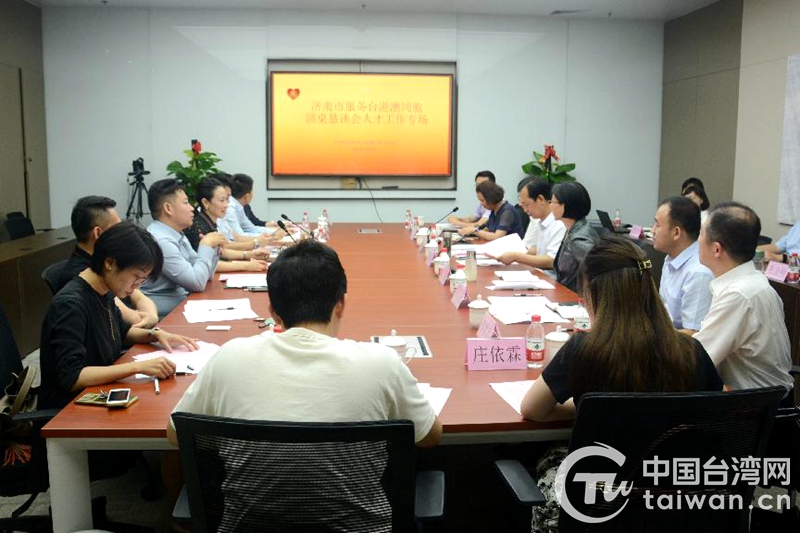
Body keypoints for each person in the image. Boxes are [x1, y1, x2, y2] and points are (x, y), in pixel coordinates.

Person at [520, 236, 723, 533]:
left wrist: (588, 410)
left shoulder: (584, 349)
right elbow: (712, 413)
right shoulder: (691, 350)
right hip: (678, 502)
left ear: (594, 295)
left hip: (597, 502)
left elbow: (532, 409)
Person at [167, 239, 441, 447]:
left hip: (248, 510)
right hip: (356, 510)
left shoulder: (230, 357)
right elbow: (429, 436)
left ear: (273, 311)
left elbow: (176, 433)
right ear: (341, 304)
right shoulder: (382, 363)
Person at [39, 222, 198, 409]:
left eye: (143, 280)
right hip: (69, 409)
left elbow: (122, 332)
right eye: (136, 277)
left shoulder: (104, 291)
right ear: (109, 263)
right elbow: (72, 377)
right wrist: (138, 367)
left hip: (99, 394)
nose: (137, 286)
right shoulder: (70, 305)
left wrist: (155, 335)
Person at [694, 202, 794, 394]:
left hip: (753, 406)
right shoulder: (754, 280)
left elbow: (697, 359)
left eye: (701, 234)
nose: (697, 240)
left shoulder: (739, 295)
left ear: (716, 249)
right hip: (761, 398)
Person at [54, 195, 159, 329]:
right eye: (117, 228)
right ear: (98, 233)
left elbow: (139, 297)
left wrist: (152, 316)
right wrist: (149, 318)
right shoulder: (85, 275)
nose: (124, 233)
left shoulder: (111, 261)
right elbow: (131, 320)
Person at [141, 179, 225, 318]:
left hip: (182, 305)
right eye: (185, 203)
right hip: (163, 316)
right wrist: (205, 245)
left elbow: (205, 276)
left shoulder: (176, 233)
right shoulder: (160, 240)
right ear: (168, 209)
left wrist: (213, 248)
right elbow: (197, 283)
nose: (192, 208)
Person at [651, 196, 713, 332]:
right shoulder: (671, 257)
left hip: (678, 342)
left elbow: (692, 334)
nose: (652, 230)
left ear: (676, 232)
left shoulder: (698, 273)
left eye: (657, 225)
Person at [184, 176, 270, 272]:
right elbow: (209, 264)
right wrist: (246, 265)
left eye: (227, 199)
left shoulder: (210, 222)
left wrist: (250, 254)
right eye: (222, 200)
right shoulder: (197, 226)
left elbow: (221, 252)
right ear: (206, 203)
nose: (226, 205)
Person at [494, 178, 566, 271]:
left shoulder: (558, 224)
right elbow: (542, 250)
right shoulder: (541, 221)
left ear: (540, 199)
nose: (525, 210)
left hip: (549, 277)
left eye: (527, 205)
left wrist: (516, 256)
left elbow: (551, 260)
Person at [550, 181, 599, 292]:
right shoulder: (573, 228)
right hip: (565, 292)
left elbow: (597, 269)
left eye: (552, 202)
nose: (550, 205)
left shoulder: (579, 239)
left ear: (566, 205)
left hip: (575, 297)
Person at [457, 180, 523, 241]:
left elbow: (497, 237)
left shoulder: (507, 211)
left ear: (491, 198)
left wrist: (475, 231)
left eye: (482, 200)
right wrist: (469, 231)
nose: (481, 204)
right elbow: (486, 229)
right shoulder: (494, 210)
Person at [224, 173, 277, 237]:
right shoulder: (230, 208)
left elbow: (251, 228)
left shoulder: (239, 206)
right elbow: (240, 236)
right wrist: (268, 235)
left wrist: (275, 232)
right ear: (247, 196)